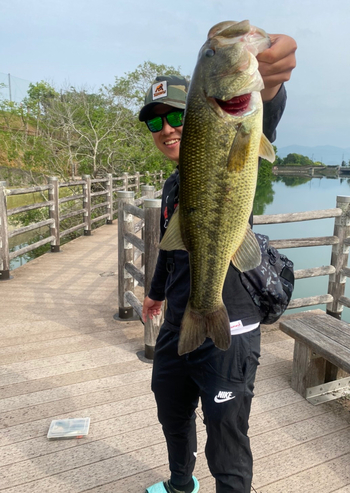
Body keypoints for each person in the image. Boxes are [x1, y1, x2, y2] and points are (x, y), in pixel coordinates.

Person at [139, 32, 297, 493]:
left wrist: (268, 88)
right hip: (180, 317)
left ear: (200, 113)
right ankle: (178, 486)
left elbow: (261, 118)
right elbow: (170, 250)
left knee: (226, 432)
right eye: (155, 122)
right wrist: (154, 292)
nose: (167, 128)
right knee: (171, 408)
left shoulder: (230, 144)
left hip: (234, 322)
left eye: (175, 116)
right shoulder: (173, 185)